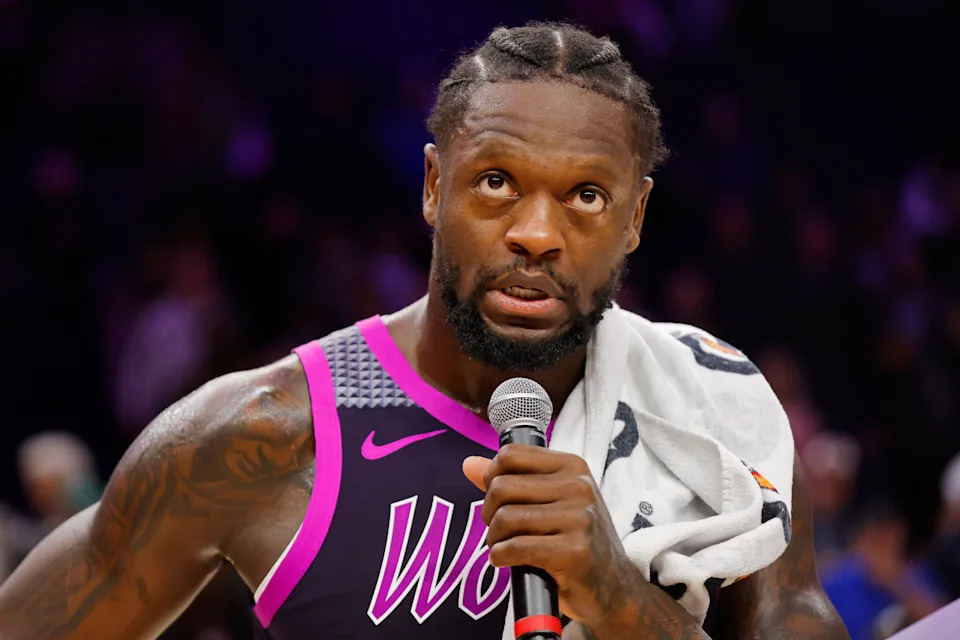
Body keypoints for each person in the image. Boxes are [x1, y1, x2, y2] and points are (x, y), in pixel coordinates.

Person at [0, 22, 847, 639]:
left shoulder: (713, 411)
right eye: (496, 183)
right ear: (435, 188)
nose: (538, 233)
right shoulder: (262, 436)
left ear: (634, 218)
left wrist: (618, 598)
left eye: (587, 195)